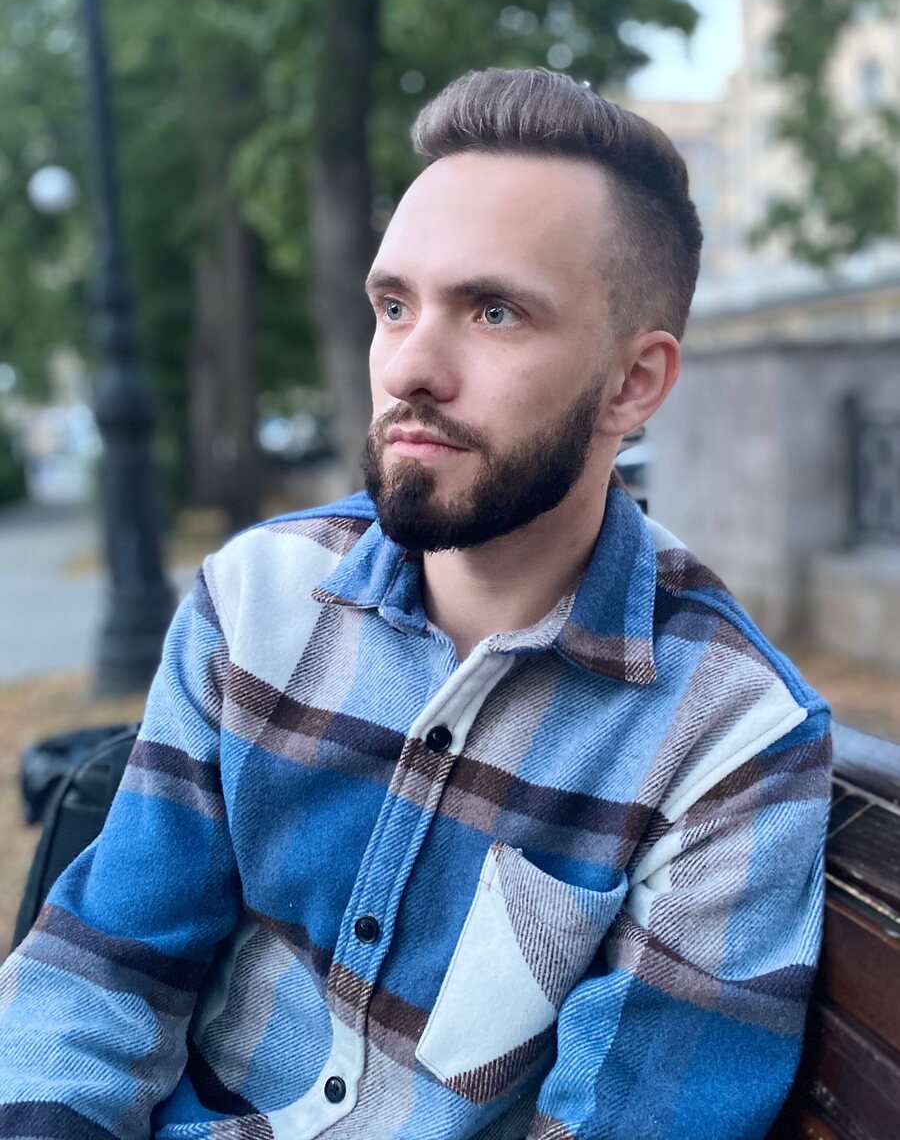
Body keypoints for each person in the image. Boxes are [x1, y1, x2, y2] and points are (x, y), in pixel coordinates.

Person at [0, 68, 830, 1140]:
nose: (411, 369)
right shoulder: (258, 598)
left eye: (494, 312)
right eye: (394, 307)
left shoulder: (730, 741)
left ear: (633, 384)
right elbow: (104, 968)